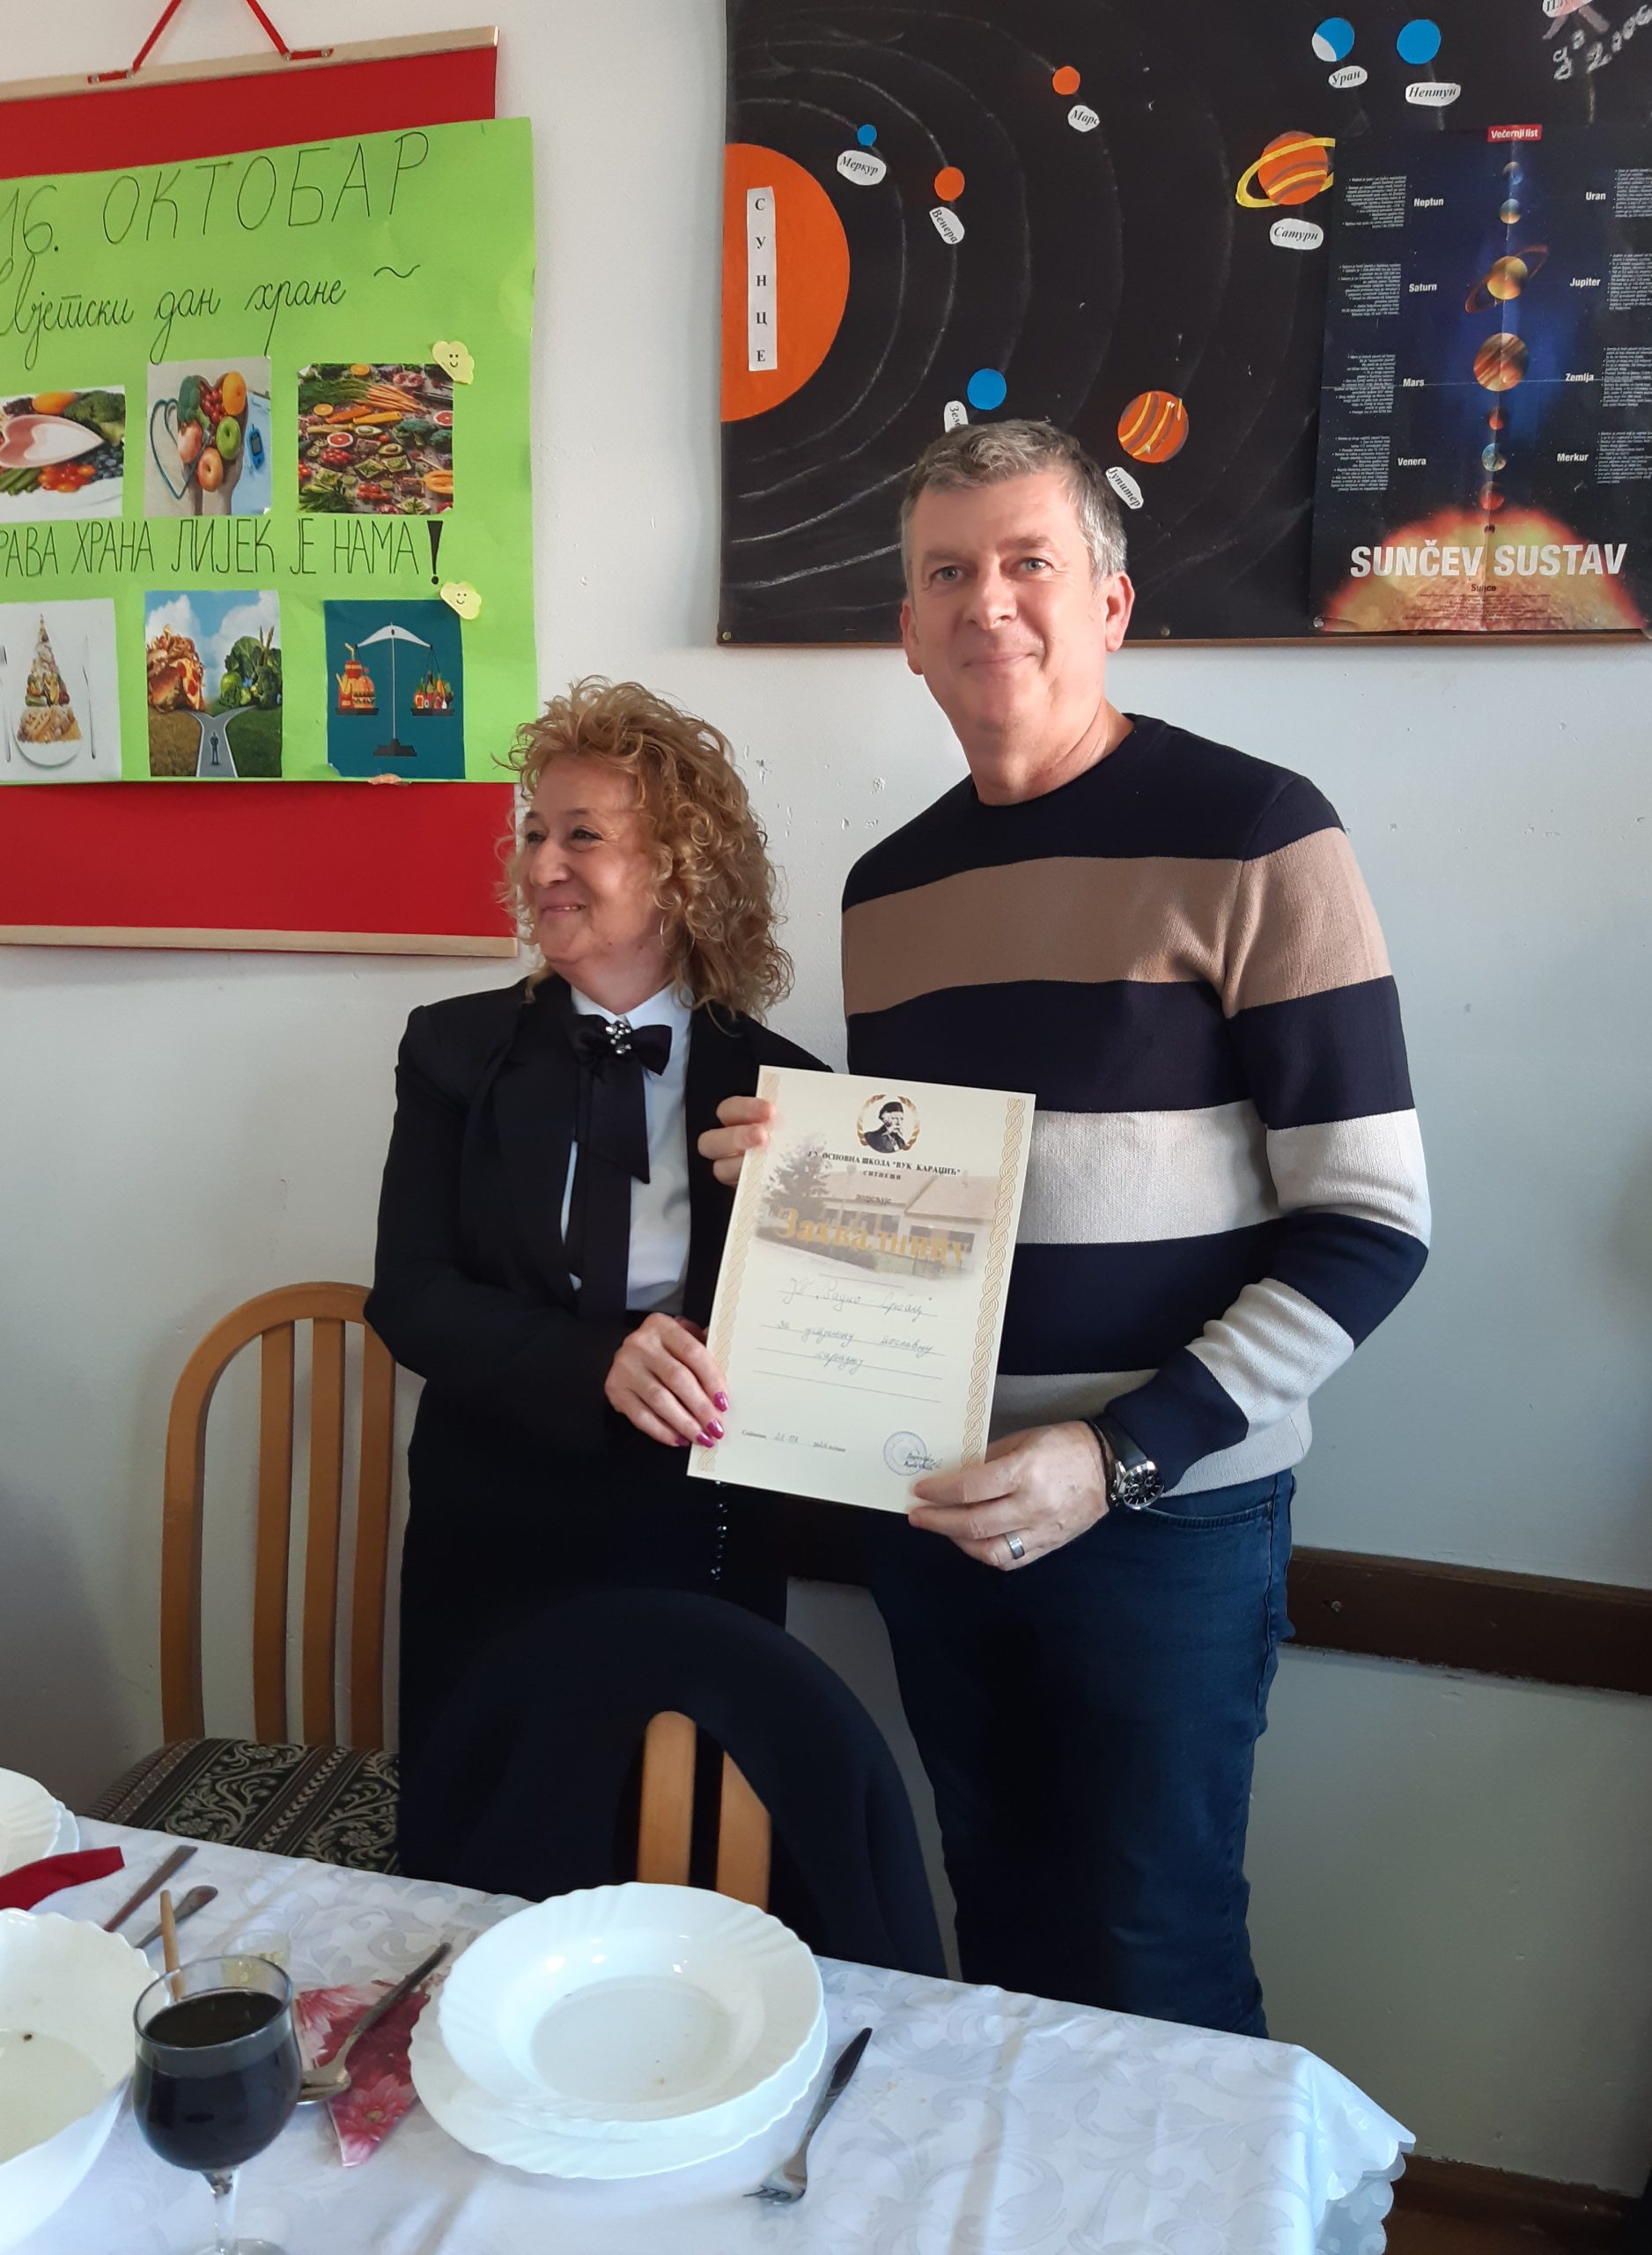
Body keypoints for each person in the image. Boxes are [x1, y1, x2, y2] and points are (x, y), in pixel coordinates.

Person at [702, 421, 1431, 2036]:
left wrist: (1119, 1459)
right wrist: (805, 1180)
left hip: (1166, 1523)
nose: (990, 602)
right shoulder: (888, 891)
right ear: (906, 630)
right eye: (947, 573)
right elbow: (937, 1206)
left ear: (1111, 602)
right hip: (938, 1504)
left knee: (1157, 1951)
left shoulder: (1260, 833)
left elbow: (1372, 1224)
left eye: (1031, 562)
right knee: (1003, 1924)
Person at [366, 676, 824, 1790]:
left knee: (680, 1839)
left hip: (698, 1533)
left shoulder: (789, 1092)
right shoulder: (451, 1049)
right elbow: (410, 1294)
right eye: (534, 833)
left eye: (582, 835)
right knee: (483, 1834)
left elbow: (824, 1346)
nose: (541, 867)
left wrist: (815, 1206)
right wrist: (596, 1361)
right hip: (491, 1523)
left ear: (679, 868)